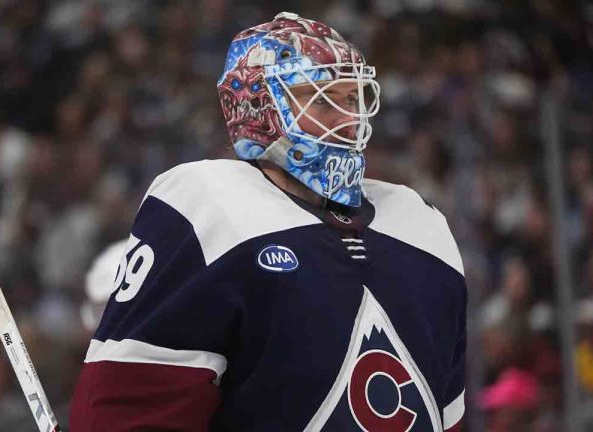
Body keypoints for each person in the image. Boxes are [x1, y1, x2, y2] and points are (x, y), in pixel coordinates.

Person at [70, 12, 466, 431]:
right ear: (257, 105)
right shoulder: (206, 207)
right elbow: (128, 404)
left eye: (352, 99)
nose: (348, 119)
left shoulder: (424, 229)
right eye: (320, 99)